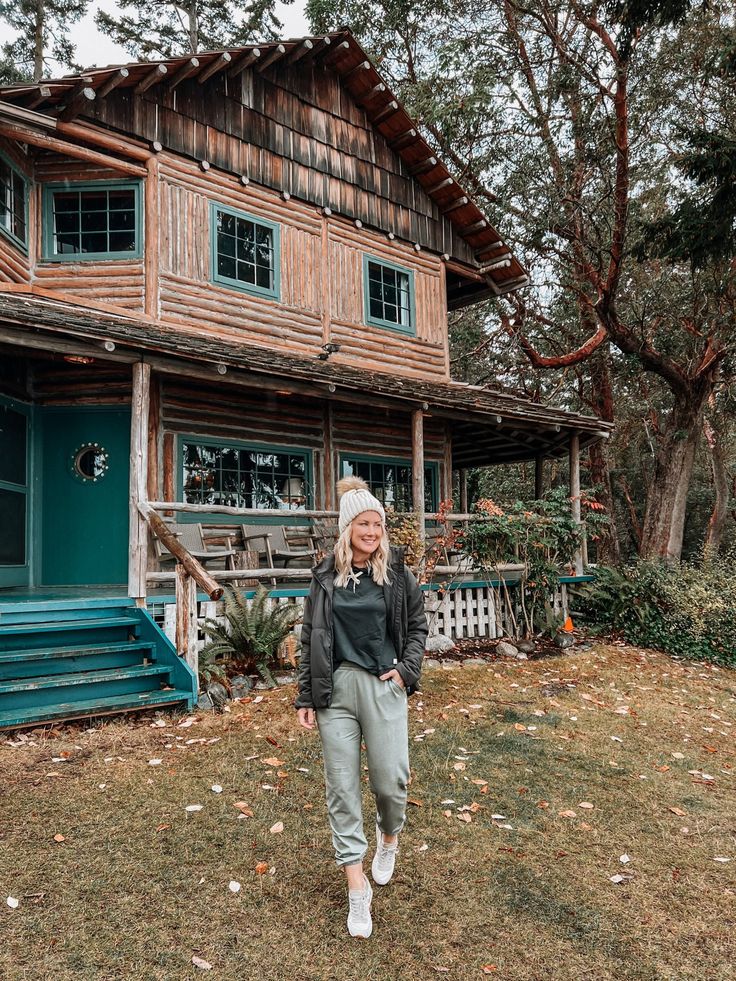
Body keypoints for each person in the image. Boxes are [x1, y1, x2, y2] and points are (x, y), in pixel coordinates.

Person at [295, 475, 428, 939]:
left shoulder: (395, 575)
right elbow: (309, 637)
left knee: (392, 781)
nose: (372, 532)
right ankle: (356, 886)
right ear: (347, 527)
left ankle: (388, 838)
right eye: (363, 524)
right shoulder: (324, 578)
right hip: (336, 691)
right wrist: (306, 695)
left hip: (382, 685)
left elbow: (417, 627)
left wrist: (406, 671)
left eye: (378, 524)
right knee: (341, 787)